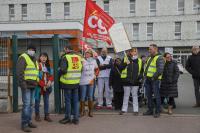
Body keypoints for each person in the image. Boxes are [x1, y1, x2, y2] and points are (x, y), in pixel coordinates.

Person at [17, 44, 39, 132]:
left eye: (33, 49)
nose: (31, 50)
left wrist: (36, 82)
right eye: (30, 49)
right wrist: (23, 85)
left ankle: (29, 121)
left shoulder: (34, 59)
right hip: (26, 86)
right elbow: (19, 72)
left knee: (30, 105)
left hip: (33, 85)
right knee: (26, 105)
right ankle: (24, 124)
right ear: (27, 50)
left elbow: (36, 71)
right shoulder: (23, 57)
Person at [59, 45, 82, 125]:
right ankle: (76, 118)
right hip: (76, 82)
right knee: (75, 101)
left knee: (68, 101)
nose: (64, 50)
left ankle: (67, 118)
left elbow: (63, 70)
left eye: (64, 49)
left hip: (67, 82)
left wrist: (59, 72)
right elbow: (81, 69)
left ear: (67, 49)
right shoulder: (78, 57)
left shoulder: (65, 57)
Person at [143, 44, 165, 118]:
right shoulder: (150, 57)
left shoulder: (159, 57)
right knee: (148, 96)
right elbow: (147, 68)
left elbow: (160, 70)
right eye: (149, 49)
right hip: (148, 79)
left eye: (150, 49)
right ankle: (150, 110)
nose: (149, 51)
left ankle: (158, 111)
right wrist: (145, 75)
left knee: (156, 96)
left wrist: (153, 78)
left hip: (155, 80)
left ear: (155, 49)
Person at [119, 48, 143, 115]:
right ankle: (124, 110)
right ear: (130, 52)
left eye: (135, 51)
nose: (134, 52)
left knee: (135, 96)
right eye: (133, 51)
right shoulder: (125, 59)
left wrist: (139, 77)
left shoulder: (140, 60)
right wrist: (125, 64)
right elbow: (120, 68)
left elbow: (142, 71)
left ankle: (136, 110)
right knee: (126, 95)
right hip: (126, 80)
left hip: (135, 81)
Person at [35, 53, 54, 122]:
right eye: (42, 56)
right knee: (37, 101)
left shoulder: (48, 66)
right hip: (38, 87)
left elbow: (52, 75)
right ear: (40, 58)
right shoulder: (37, 66)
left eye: (45, 57)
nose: (44, 58)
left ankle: (47, 115)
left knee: (46, 101)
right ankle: (37, 115)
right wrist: (43, 85)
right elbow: (36, 77)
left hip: (47, 86)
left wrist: (49, 81)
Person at [79, 49, 98, 117]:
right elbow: (79, 69)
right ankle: (82, 111)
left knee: (90, 96)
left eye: (88, 53)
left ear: (91, 54)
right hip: (83, 80)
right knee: (83, 96)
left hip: (91, 81)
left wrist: (95, 75)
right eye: (86, 53)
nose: (87, 54)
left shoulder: (94, 61)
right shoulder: (82, 60)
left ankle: (90, 111)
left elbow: (97, 69)